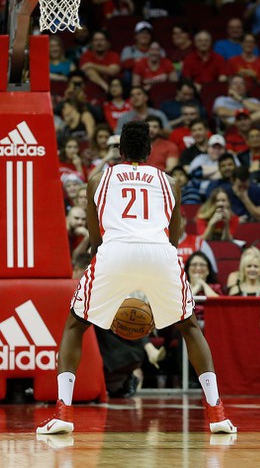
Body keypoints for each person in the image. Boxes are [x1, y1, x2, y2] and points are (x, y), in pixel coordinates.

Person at [37, 121, 236, 435]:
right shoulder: (169, 182)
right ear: (149, 150)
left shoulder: (98, 179)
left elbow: (94, 234)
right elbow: (176, 234)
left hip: (115, 251)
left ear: (119, 150)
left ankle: (63, 413)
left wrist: (100, 267)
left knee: (76, 325)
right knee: (189, 326)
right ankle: (217, 414)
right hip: (159, 251)